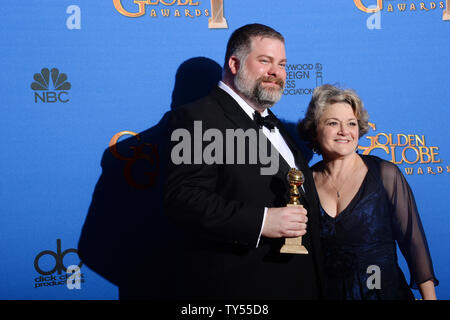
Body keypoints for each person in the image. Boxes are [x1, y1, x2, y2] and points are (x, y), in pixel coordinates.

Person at [163, 23, 325, 299]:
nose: (276, 72)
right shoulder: (196, 118)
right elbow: (183, 199)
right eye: (265, 61)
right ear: (235, 63)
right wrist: (262, 222)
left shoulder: (276, 125)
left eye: (282, 64)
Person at [297, 84, 438, 300]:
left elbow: (414, 243)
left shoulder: (385, 174)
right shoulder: (303, 182)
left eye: (351, 123)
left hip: (384, 293)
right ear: (315, 130)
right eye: (333, 123)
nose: (344, 131)